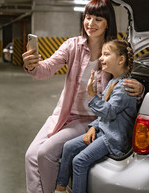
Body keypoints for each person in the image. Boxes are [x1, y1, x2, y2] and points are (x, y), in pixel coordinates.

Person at [22, 0, 144, 193]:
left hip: (91, 119)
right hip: (64, 114)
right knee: (30, 155)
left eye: (98, 19)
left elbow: (126, 80)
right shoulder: (73, 45)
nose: (90, 24)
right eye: (87, 18)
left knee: (45, 153)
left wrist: (139, 89)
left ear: (107, 23)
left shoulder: (113, 50)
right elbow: (47, 68)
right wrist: (32, 66)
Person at [54, 39, 137, 193]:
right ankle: (60, 188)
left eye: (106, 54)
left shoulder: (125, 86)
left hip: (113, 138)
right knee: (68, 147)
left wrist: (92, 95)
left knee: (79, 161)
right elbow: (104, 115)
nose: (100, 58)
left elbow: (109, 111)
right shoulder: (113, 82)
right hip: (103, 131)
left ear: (121, 60)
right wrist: (93, 127)